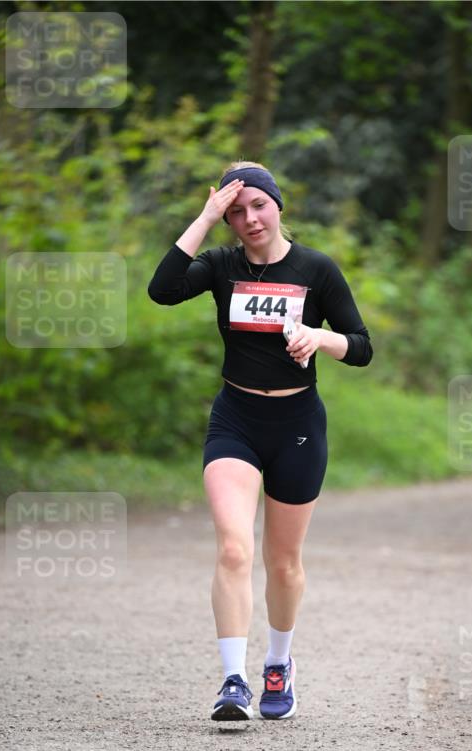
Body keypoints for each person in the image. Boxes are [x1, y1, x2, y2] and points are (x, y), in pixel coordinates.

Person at [148, 160, 372, 722]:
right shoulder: (221, 266)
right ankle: (232, 680)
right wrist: (205, 214)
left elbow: (362, 346)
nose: (250, 219)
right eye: (238, 211)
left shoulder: (316, 270)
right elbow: (162, 289)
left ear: (279, 205)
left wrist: (320, 338)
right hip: (236, 421)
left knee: (283, 563)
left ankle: (279, 663)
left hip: (297, 426)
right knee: (232, 548)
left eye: (259, 206)